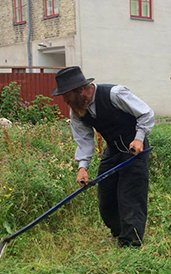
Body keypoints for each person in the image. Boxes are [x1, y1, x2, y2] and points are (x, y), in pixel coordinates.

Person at [52, 66, 155, 247]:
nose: (65, 100)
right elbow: (84, 140)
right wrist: (82, 167)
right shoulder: (77, 110)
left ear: (81, 90)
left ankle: (130, 244)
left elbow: (146, 113)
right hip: (113, 150)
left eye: (66, 95)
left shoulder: (115, 94)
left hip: (134, 149)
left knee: (130, 195)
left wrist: (139, 139)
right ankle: (118, 233)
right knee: (106, 197)